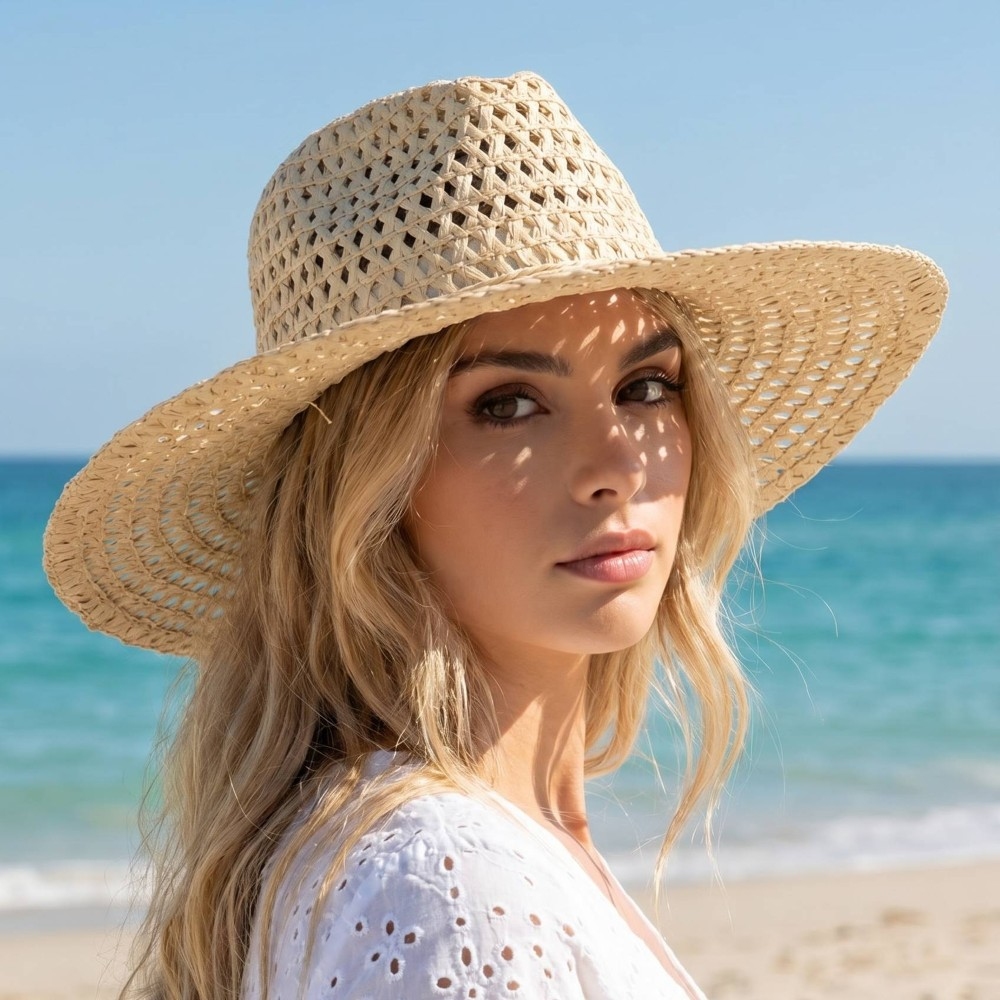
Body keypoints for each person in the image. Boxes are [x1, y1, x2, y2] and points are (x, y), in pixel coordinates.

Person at [43, 72, 947, 999]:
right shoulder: (447, 885)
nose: (615, 464)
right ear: (366, 490)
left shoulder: (446, 848)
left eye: (645, 387)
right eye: (508, 405)